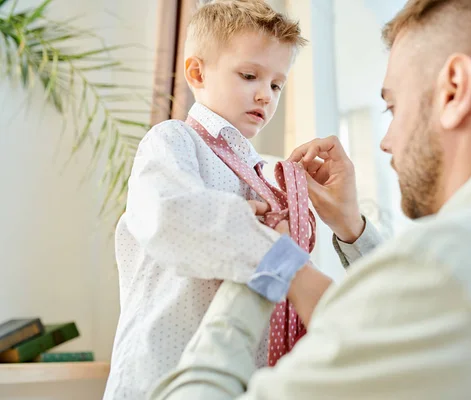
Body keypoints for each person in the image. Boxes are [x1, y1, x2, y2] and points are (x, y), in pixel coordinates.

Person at [150, 0, 471, 399]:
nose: (385, 141)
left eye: (392, 106)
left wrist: (267, 265)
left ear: (454, 90)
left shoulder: (443, 272)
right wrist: (352, 228)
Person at [103, 1, 335, 399]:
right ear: (197, 72)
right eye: (250, 75)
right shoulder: (173, 141)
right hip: (164, 373)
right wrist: (286, 264)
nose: (265, 96)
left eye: (277, 85)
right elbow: (171, 216)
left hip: (237, 379)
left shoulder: (269, 176)